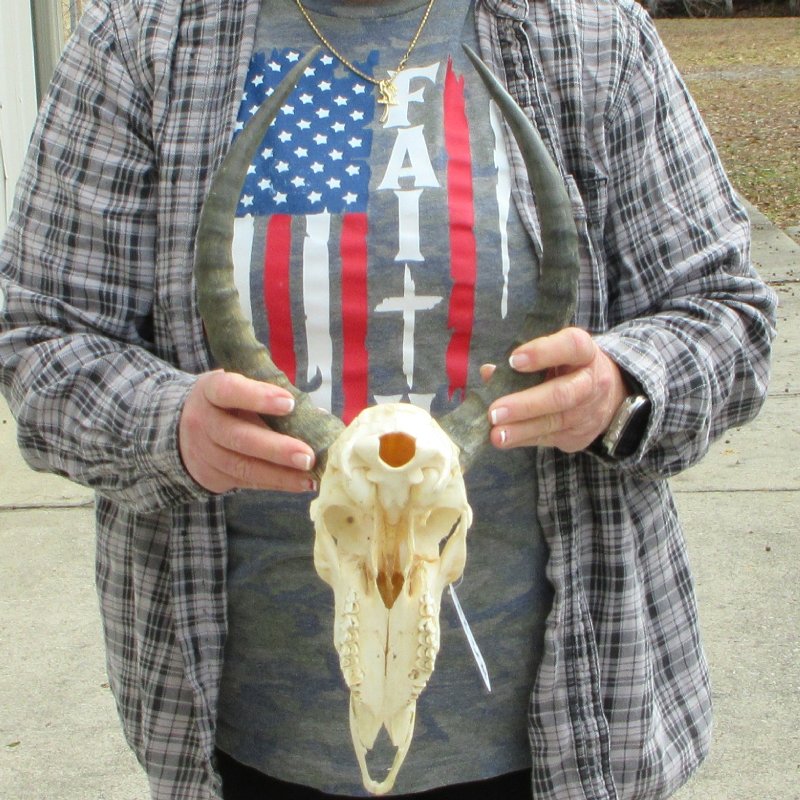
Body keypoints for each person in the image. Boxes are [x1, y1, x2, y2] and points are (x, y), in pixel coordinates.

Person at [0, 0, 777, 797]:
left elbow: (727, 312)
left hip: (562, 739)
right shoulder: (141, 42)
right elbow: (41, 334)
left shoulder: (593, 35)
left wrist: (620, 387)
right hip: (248, 742)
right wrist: (168, 427)